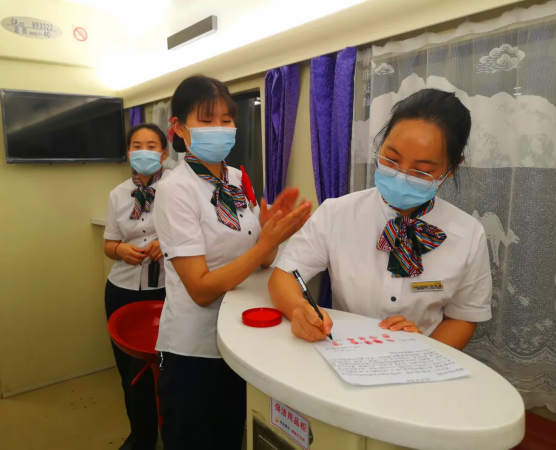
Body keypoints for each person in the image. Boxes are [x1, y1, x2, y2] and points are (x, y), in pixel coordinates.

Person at [153, 75, 312, 449]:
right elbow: (200, 289)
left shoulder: (237, 180)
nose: (220, 128)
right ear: (179, 127)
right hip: (194, 346)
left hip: (240, 335)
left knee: (230, 436)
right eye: (207, 119)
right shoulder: (175, 190)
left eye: (226, 119)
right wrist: (263, 245)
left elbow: (262, 260)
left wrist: (271, 232)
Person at [269, 89, 492, 351]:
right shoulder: (337, 214)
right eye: (391, 159)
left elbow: (463, 317)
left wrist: (424, 352)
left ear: (451, 168)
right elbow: (283, 277)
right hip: (343, 355)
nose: (400, 175)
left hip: (419, 365)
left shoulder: (468, 234)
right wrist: (299, 309)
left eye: (421, 171)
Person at [103, 123, 169, 450]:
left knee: (168, 369)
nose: (144, 151)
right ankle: (141, 436)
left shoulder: (178, 189)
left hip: (167, 289)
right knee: (130, 372)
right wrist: (120, 249)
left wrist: (167, 243)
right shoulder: (118, 194)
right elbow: (108, 244)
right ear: (129, 152)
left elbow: (199, 235)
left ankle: (173, 434)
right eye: (136, 146)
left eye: (151, 145)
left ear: (164, 153)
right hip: (122, 289)